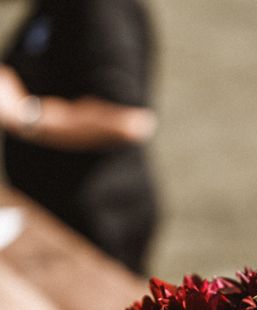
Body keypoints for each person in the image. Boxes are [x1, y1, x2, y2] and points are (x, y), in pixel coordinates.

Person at [0, 0, 157, 274]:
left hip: (96, 219)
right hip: (53, 209)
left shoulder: (101, 9)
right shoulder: (51, 7)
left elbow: (127, 119)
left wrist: (26, 114)